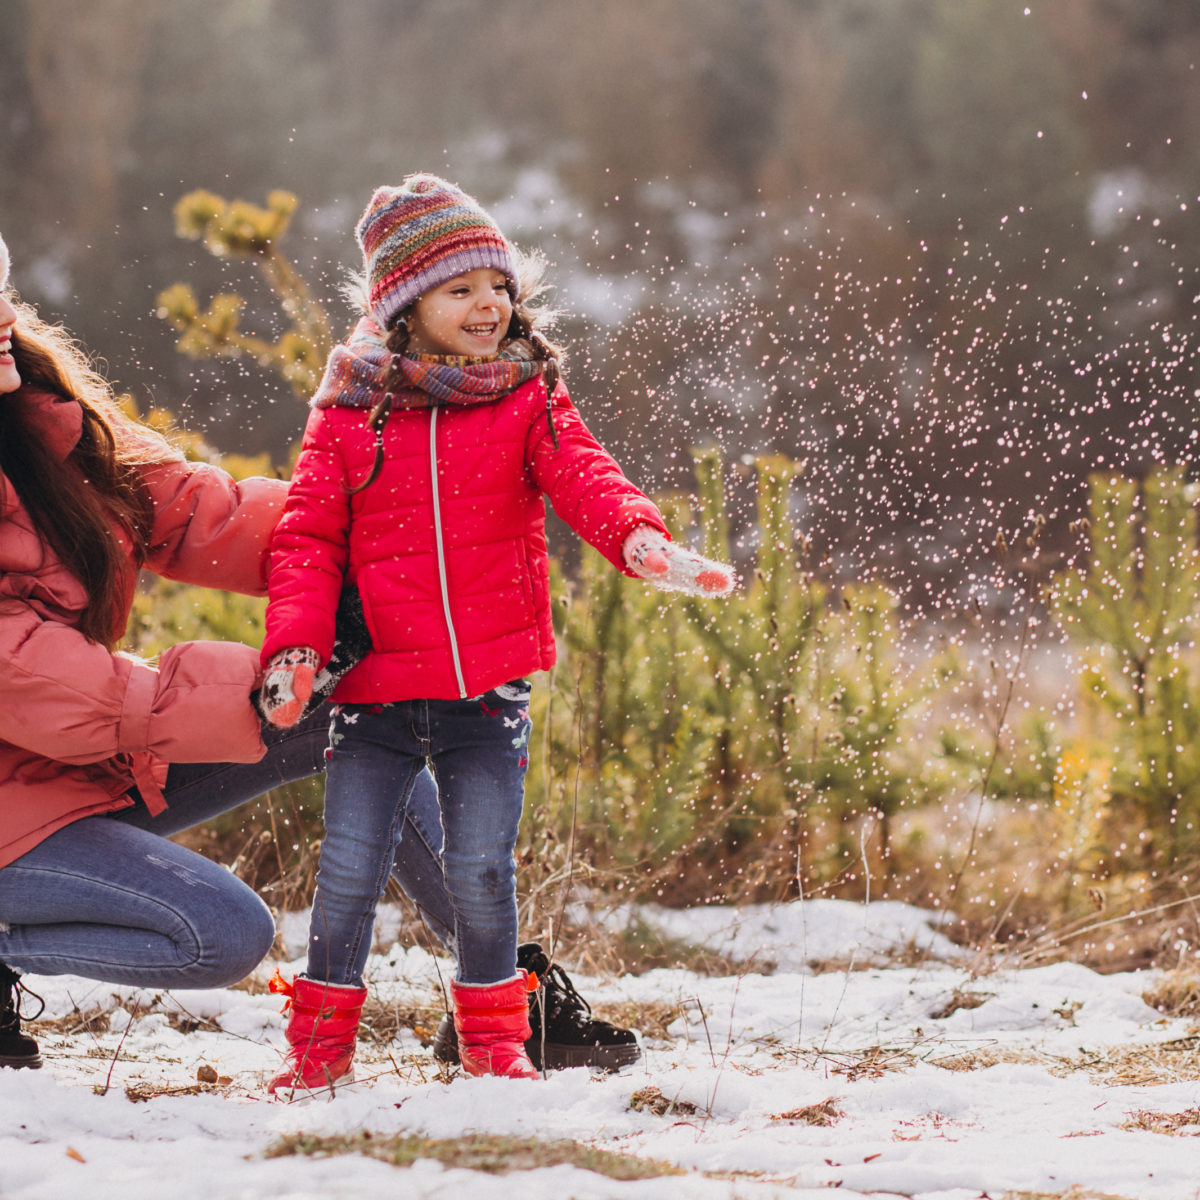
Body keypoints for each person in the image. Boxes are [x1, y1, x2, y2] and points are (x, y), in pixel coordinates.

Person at [0, 229, 638, 1078]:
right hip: (29, 789)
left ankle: (506, 990)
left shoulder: (40, 428)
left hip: (68, 769)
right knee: (220, 935)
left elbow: (198, 513)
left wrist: (373, 528)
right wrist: (268, 688)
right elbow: (31, 674)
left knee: (367, 702)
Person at [258, 174, 735, 1093]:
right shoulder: (351, 414)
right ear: (404, 307)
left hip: (487, 688)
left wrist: (641, 540)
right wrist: (295, 651)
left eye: (500, 286)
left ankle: (495, 1046)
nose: (490, 306)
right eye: (461, 289)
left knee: (480, 869)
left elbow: (586, 476)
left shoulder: (528, 397)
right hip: (375, 695)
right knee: (348, 874)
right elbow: (308, 541)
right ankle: (316, 1057)